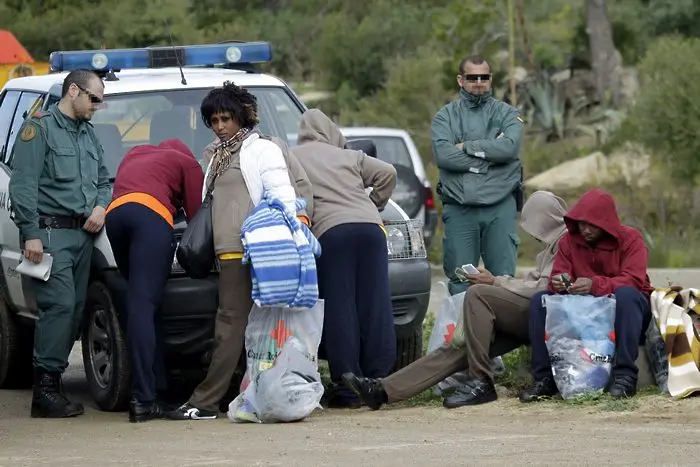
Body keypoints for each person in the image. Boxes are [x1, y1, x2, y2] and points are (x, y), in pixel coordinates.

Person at [342, 191, 568, 409]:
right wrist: (499, 282)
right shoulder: (551, 246)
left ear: (543, 220)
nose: (533, 235)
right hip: (531, 315)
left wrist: (497, 283)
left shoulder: (565, 242)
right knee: (455, 349)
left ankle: (481, 381)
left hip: (544, 315)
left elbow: (543, 288)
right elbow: (534, 283)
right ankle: (383, 391)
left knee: (478, 294)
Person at [168, 81, 304, 420]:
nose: (219, 126)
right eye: (213, 120)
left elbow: (283, 197)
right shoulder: (216, 153)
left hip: (251, 249)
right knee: (244, 325)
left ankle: (206, 401)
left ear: (242, 118)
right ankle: (249, 394)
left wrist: (285, 240)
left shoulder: (261, 150)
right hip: (227, 251)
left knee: (230, 324)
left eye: (226, 118)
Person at [8, 69, 110, 418]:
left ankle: (53, 381)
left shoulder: (88, 135)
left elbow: (103, 181)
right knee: (60, 307)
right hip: (49, 236)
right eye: (94, 98)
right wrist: (31, 232)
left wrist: (100, 205)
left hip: (83, 235)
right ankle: (45, 391)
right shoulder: (39, 130)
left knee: (76, 308)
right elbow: (23, 186)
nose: (98, 106)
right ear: (74, 91)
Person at [291, 109, 398, 408]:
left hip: (332, 234)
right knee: (375, 303)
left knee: (341, 308)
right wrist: (373, 204)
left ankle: (349, 387)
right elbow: (388, 173)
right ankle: (380, 381)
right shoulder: (349, 155)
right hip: (371, 230)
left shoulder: (293, 156)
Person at [520, 188, 654, 402]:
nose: (585, 230)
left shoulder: (631, 239)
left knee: (628, 294)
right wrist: (560, 283)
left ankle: (625, 376)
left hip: (627, 316)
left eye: (592, 224)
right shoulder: (569, 242)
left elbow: (634, 280)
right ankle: (544, 379)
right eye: (581, 223)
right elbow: (559, 274)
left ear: (606, 223)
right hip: (585, 315)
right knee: (540, 301)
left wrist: (594, 284)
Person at [104, 139, 204, 422]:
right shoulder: (186, 162)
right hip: (151, 218)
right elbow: (197, 218)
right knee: (143, 306)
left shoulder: (134, 153)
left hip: (116, 216)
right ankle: (143, 399)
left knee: (141, 303)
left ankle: (158, 385)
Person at [432, 55, 524, 296]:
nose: (479, 82)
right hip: (460, 208)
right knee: (461, 278)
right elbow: (444, 156)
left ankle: (503, 333)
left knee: (503, 279)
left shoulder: (507, 113)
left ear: (491, 79)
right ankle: (463, 331)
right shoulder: (445, 117)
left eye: (484, 77)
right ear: (461, 80)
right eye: (473, 77)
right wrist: (488, 161)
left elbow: (509, 148)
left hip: (500, 205)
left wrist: (467, 147)